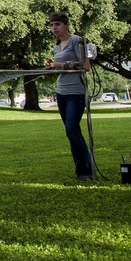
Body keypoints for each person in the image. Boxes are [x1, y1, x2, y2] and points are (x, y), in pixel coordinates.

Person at [44, 12, 94, 181]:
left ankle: (85, 171)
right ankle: (82, 169)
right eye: (51, 25)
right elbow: (61, 70)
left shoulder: (76, 41)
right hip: (61, 92)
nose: (54, 28)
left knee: (72, 130)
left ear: (66, 25)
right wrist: (52, 66)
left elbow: (85, 66)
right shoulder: (57, 46)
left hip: (76, 92)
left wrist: (60, 64)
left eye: (57, 24)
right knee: (72, 132)